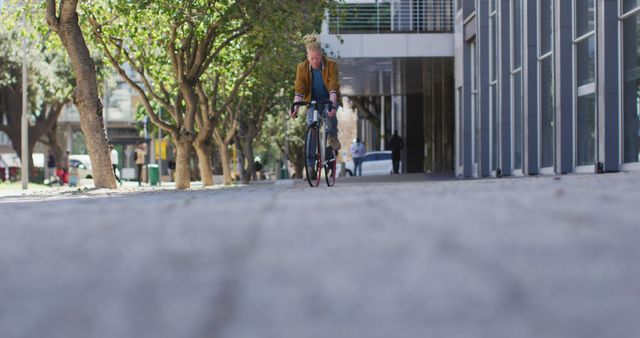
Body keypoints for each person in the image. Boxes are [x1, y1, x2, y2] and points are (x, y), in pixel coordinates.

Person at [290, 33, 342, 179]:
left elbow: (333, 88)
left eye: (318, 57)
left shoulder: (331, 65)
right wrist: (295, 107)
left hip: (328, 99)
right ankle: (311, 167)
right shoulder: (302, 68)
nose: (315, 61)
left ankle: (332, 135)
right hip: (312, 101)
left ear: (321, 54)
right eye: (312, 58)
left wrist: (332, 105)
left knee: (330, 115)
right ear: (307, 57)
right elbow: (299, 90)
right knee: (311, 130)